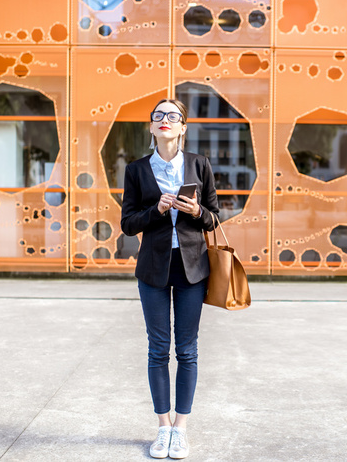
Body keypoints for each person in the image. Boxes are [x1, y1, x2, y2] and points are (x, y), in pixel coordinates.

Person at [120, 98, 219, 459]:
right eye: (158, 115)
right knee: (158, 349)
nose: (165, 120)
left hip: (192, 266)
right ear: (151, 128)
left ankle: (181, 428)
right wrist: (156, 210)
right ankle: (162, 429)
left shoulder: (199, 164)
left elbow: (215, 217)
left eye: (172, 115)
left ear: (183, 127)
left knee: (187, 350)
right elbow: (128, 225)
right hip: (153, 268)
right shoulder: (136, 170)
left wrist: (197, 211)